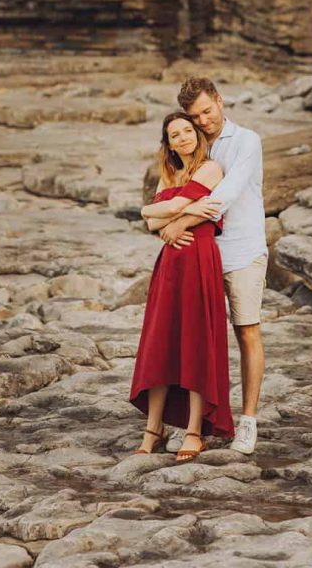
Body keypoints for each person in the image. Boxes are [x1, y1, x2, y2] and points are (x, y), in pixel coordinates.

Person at [158, 76, 267, 455]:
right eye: (195, 116)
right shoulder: (194, 143)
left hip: (242, 249)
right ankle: (195, 422)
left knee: (246, 330)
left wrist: (175, 224)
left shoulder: (246, 141)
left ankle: (248, 420)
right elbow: (174, 190)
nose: (204, 120)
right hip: (201, 251)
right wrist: (160, 220)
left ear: (220, 101)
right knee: (195, 335)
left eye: (207, 111)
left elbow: (222, 197)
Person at [128, 111, 234, 460]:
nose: (184, 138)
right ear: (168, 144)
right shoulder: (169, 173)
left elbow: (171, 207)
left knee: (195, 341)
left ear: (197, 135)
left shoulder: (211, 167)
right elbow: (154, 229)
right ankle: (153, 429)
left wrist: (148, 210)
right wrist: (162, 215)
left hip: (199, 258)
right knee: (162, 341)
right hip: (170, 261)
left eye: (188, 131)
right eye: (175, 135)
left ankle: (193, 430)